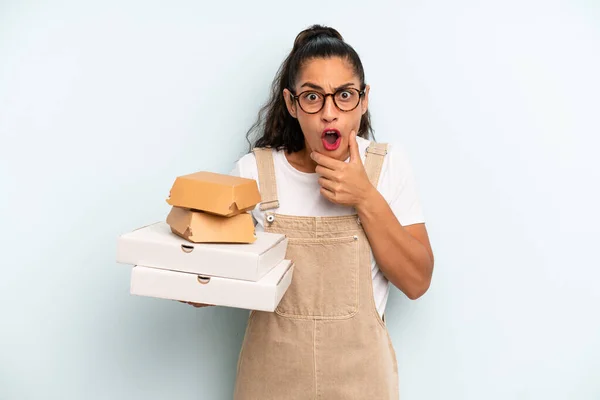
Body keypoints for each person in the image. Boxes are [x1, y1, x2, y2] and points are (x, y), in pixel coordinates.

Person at [193, 24, 434, 399]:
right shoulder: (253, 173)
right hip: (270, 384)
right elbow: (214, 280)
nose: (329, 113)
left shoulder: (387, 167)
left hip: (362, 383)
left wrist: (365, 197)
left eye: (344, 95)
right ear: (291, 104)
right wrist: (191, 280)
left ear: (364, 99)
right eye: (312, 97)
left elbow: (417, 281)